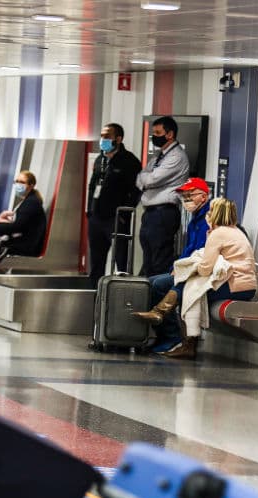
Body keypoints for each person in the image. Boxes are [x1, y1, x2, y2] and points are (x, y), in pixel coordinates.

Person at [135, 197, 256, 360]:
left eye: (211, 211)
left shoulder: (219, 233)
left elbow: (205, 268)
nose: (208, 214)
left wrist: (191, 267)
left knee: (190, 287)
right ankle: (169, 323)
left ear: (217, 214)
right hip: (242, 286)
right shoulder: (234, 231)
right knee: (189, 285)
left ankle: (172, 328)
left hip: (235, 287)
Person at [131, 177, 212, 353]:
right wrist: (176, 268)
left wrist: (181, 270)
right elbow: (188, 250)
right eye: (184, 196)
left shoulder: (209, 218)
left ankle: (172, 337)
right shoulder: (194, 220)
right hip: (188, 269)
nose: (186, 200)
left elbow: (202, 252)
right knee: (149, 282)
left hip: (200, 272)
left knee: (159, 285)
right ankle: (164, 336)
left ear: (203, 197)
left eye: (190, 195)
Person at [87, 123, 142, 287]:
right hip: (96, 218)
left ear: (118, 139)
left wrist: (125, 214)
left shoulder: (129, 161)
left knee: (121, 261)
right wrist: (89, 210)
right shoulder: (100, 158)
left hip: (116, 219)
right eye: (102, 136)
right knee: (96, 262)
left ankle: (122, 295)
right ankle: (94, 297)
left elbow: (136, 190)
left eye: (107, 136)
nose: (102, 139)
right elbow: (92, 185)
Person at [135, 116, 190, 277]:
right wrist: (146, 179)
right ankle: (147, 297)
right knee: (148, 261)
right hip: (151, 214)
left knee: (160, 261)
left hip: (163, 214)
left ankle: (159, 297)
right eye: (153, 133)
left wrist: (146, 180)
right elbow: (140, 177)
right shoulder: (159, 156)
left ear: (170, 134)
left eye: (158, 132)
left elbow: (151, 179)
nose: (154, 136)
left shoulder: (176, 156)